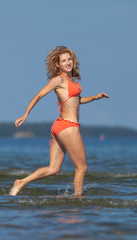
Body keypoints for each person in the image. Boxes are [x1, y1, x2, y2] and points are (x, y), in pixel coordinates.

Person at [10, 46, 109, 196]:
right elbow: (39, 95)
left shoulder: (71, 80)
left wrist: (95, 97)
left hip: (59, 126)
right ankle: (77, 200)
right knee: (81, 168)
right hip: (68, 127)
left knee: (54, 169)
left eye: (69, 59)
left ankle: (21, 182)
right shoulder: (59, 79)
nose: (68, 62)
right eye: (64, 61)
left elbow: (76, 100)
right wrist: (25, 114)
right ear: (57, 64)